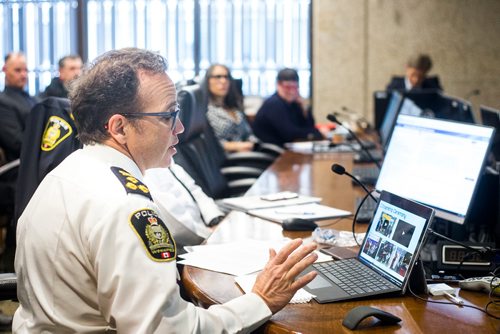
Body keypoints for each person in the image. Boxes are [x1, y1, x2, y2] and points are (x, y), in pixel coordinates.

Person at [13, 48, 318, 333]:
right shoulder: (126, 207)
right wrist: (261, 300)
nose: (180, 128)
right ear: (119, 127)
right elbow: (169, 329)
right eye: (168, 115)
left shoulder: (68, 170)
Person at [252, 68, 325, 146]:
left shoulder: (293, 103)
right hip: (271, 152)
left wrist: (305, 108)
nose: (292, 91)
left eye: (295, 87)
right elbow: (290, 134)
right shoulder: (274, 104)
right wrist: (317, 133)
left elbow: (308, 126)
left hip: (285, 149)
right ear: (278, 85)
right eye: (288, 87)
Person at [203, 64, 258, 152]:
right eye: (218, 77)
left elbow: (248, 133)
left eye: (226, 77)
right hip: (227, 160)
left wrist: (253, 143)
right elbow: (208, 143)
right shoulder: (205, 110)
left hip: (248, 154)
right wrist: (235, 146)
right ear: (208, 81)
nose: (223, 81)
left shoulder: (234, 107)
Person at [0, 52, 38, 162]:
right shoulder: (3, 102)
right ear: (5, 70)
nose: (23, 74)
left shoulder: (33, 99)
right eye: (18, 70)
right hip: (19, 166)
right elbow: (17, 144)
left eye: (26, 70)